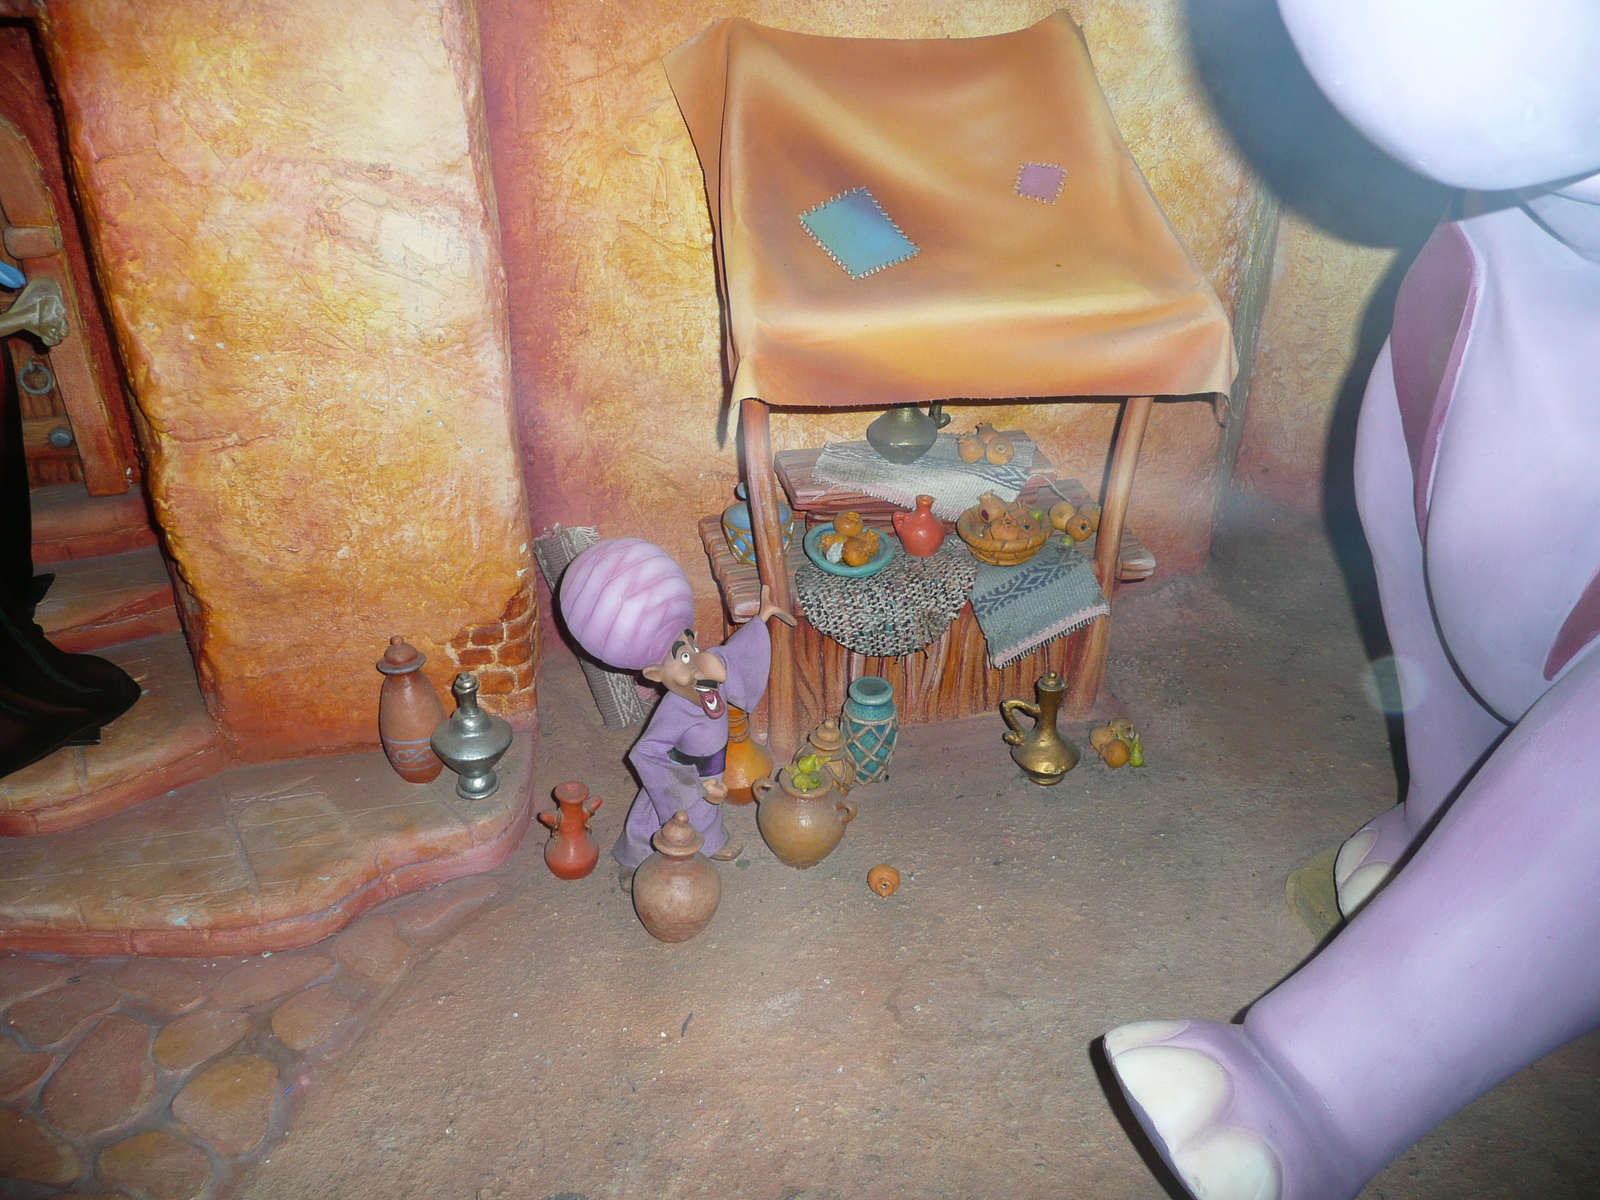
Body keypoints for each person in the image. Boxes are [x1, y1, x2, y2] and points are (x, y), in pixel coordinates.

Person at [559, 537, 794, 882]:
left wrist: (761, 618)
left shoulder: (706, 675)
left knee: (708, 812)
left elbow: (732, 656)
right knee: (663, 814)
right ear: (656, 675)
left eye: (692, 647)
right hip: (684, 775)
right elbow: (647, 752)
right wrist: (693, 786)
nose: (696, 661)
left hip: (713, 766)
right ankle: (636, 858)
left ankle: (710, 842)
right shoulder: (674, 709)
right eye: (683, 658)